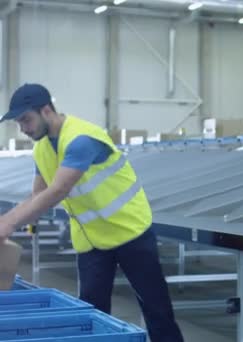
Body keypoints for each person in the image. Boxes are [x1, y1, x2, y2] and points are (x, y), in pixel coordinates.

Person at [0, 83, 184, 342]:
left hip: (129, 231)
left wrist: (7, 226)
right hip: (92, 241)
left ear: (46, 111)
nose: (24, 129)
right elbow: (36, 196)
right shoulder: (41, 148)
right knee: (90, 313)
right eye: (19, 123)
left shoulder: (81, 139)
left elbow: (58, 190)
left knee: (156, 310)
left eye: (26, 120)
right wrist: (5, 221)